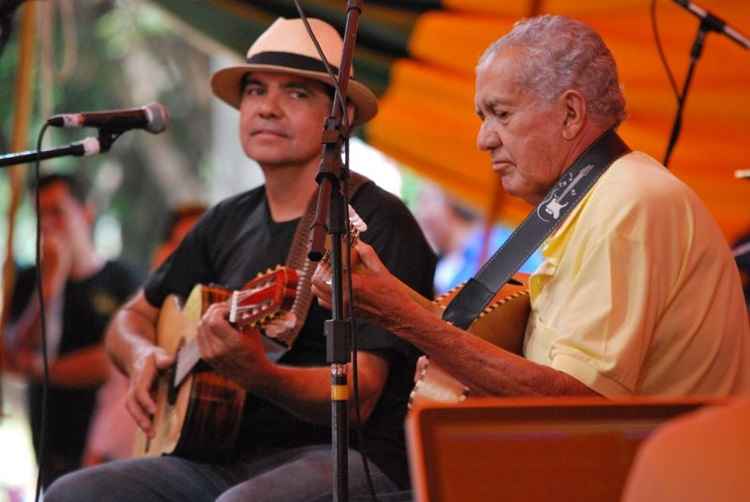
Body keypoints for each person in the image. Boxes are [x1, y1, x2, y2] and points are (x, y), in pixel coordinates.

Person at [44, 17, 435, 502]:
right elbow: (131, 317)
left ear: (343, 116)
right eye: (255, 90)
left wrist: (261, 375)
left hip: (344, 458)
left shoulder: (376, 223)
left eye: (296, 94)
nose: (267, 108)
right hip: (217, 458)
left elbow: (359, 394)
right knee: (72, 494)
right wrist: (143, 354)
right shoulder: (225, 220)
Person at [314, 15, 750, 399]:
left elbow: (576, 402)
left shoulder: (628, 200)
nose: (483, 140)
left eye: (500, 114)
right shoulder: (590, 199)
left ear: (571, 114)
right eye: (482, 118)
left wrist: (402, 315)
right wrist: (390, 298)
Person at [5, 173, 140, 487]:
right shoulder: (29, 281)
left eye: (58, 212)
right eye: (41, 215)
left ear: (86, 213)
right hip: (48, 436)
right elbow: (14, 353)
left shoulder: (121, 278)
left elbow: (113, 360)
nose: (49, 225)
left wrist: (42, 370)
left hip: (107, 440)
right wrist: (49, 290)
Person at [82, 203, 207, 466]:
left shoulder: (211, 328)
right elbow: (105, 430)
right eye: (183, 248)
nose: (193, 261)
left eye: (203, 251)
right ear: (161, 254)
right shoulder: (142, 327)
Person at [415, 183, 541, 294]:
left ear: (451, 199)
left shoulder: (504, 244)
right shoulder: (445, 262)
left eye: (425, 201)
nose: (419, 213)